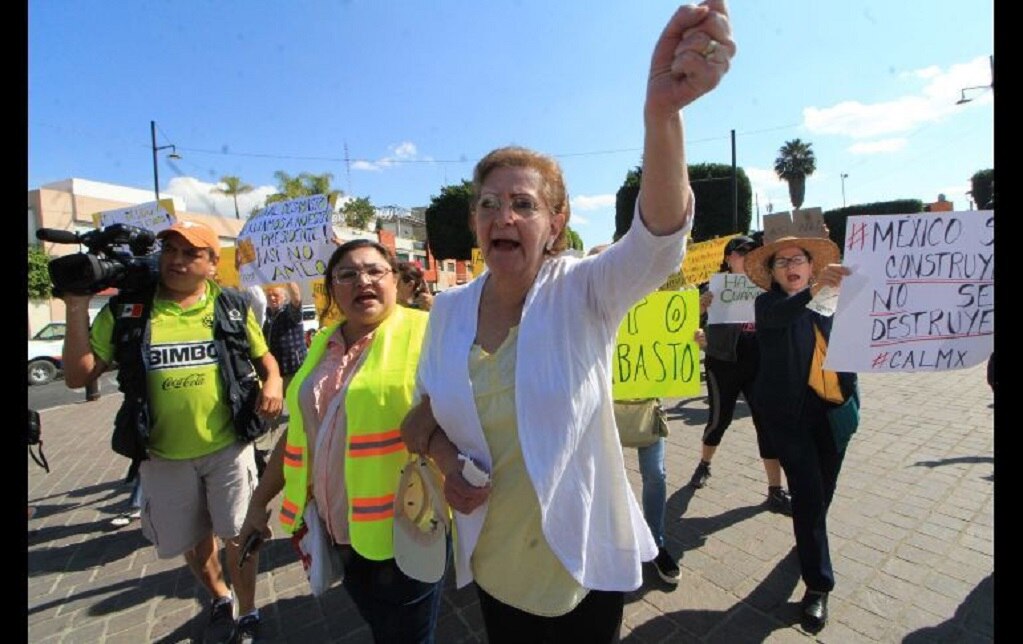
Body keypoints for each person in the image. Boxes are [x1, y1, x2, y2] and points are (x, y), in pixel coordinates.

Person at [400, 3, 735, 640]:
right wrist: (443, 459)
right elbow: (420, 415)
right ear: (475, 222)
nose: (502, 216)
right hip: (493, 557)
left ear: (555, 224)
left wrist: (661, 114)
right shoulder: (445, 312)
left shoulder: (583, 289)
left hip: (582, 563)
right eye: (488, 204)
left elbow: (658, 239)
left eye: (522, 204)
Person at [61, 220, 284, 644]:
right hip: (162, 457)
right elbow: (77, 376)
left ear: (212, 264)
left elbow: (265, 357)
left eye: (190, 253)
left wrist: (272, 381)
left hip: (228, 449)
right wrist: (75, 306)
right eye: (170, 251)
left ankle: (250, 609)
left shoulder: (231, 305)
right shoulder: (129, 309)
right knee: (195, 540)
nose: (177, 260)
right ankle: (220, 598)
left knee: (241, 535)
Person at [240, 239, 445, 643]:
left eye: (374, 271)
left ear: (395, 278)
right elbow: (297, 433)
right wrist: (258, 502)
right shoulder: (323, 343)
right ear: (332, 288)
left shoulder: (429, 332)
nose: (362, 281)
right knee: (380, 626)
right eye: (347, 274)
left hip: (409, 528)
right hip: (337, 531)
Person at [743, 234, 855, 633]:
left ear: (811, 264)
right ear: (773, 275)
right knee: (808, 496)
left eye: (799, 259)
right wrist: (816, 288)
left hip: (837, 412)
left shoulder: (837, 302)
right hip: (790, 419)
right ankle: (818, 585)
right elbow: (787, 314)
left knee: (823, 492)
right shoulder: (770, 304)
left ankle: (810, 541)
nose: (791, 265)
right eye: (781, 262)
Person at [590, 243, 679, 585]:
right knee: (605, 480)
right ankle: (609, 543)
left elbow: (673, 343)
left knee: (655, 474)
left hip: (646, 410)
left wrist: (692, 338)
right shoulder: (587, 313)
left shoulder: (652, 304)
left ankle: (656, 544)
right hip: (602, 413)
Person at [689, 236, 793, 516]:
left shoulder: (768, 285)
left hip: (760, 363)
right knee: (718, 419)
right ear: (727, 258)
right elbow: (689, 325)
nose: (745, 256)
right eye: (739, 252)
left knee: (766, 424)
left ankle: (775, 490)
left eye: (751, 251)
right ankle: (704, 464)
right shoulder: (711, 286)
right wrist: (698, 322)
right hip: (722, 361)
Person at [257, 282, 308, 475]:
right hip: (275, 374)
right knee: (270, 412)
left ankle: (304, 446)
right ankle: (267, 451)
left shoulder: (290, 313)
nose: (272, 298)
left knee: (300, 410)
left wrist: (287, 276)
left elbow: (297, 298)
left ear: (284, 297)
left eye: (276, 295)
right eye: (269, 295)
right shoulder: (266, 317)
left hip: (294, 370)